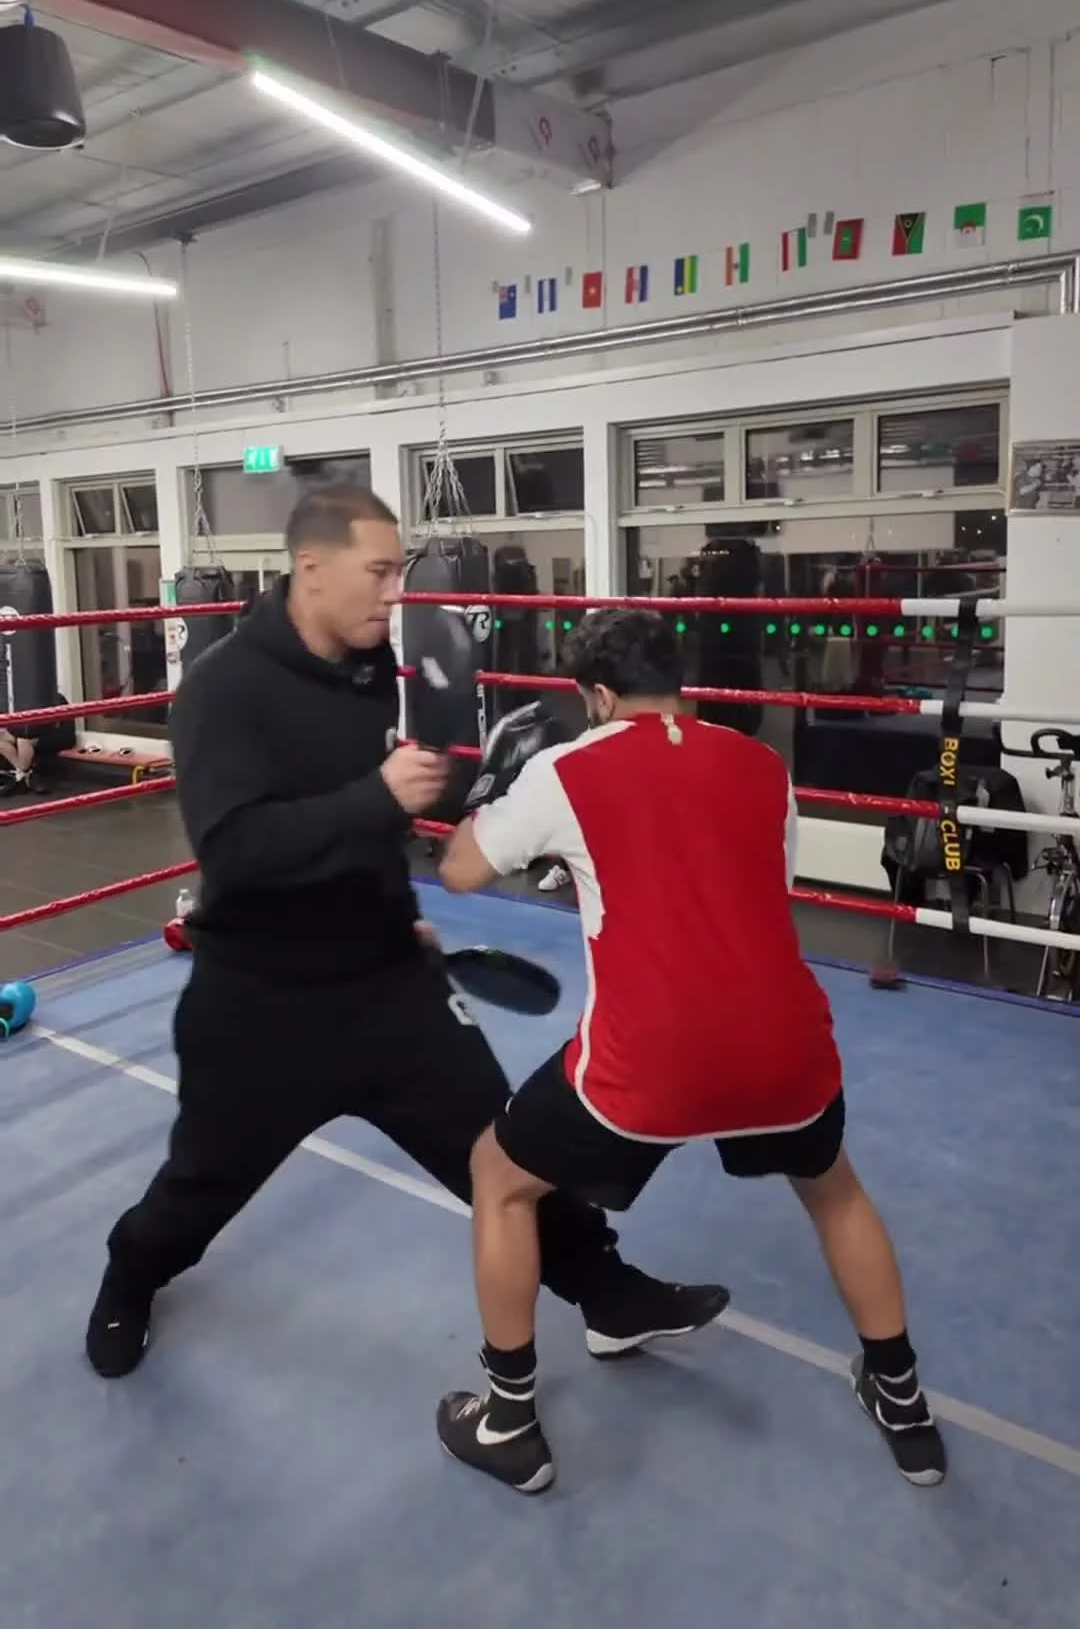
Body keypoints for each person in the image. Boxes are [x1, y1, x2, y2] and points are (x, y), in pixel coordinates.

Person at [85, 484, 728, 1378]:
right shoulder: (221, 689)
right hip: (262, 1003)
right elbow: (233, 850)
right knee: (201, 1184)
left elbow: (360, 829)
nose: (396, 593)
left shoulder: (366, 669)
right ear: (312, 567)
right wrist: (377, 795)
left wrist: (400, 908)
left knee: (502, 1150)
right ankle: (130, 1273)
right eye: (380, 572)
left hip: (389, 983)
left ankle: (608, 1294)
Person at [434, 608, 946, 1495]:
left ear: (597, 695)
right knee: (834, 1191)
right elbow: (765, 883)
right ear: (679, 684)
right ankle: (903, 1402)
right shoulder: (763, 765)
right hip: (785, 1043)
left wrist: (500, 789)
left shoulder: (567, 768)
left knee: (500, 1176)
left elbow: (459, 871)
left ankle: (508, 1417)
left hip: (649, 1060)